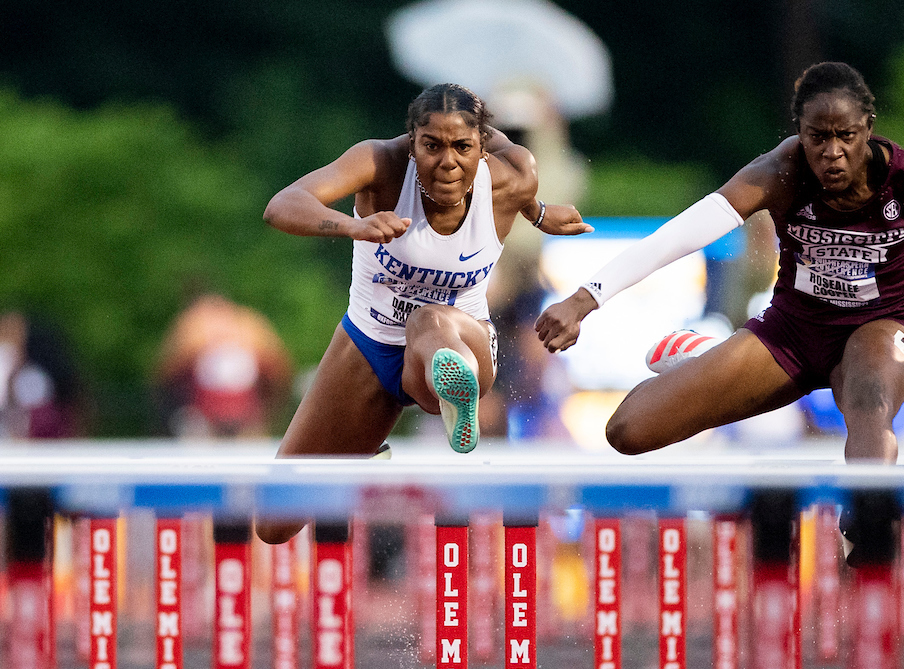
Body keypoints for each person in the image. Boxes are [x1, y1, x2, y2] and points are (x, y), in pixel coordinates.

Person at [536, 62, 904, 465]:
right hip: (795, 330)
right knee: (627, 432)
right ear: (799, 132)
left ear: (869, 128)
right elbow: (675, 237)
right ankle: (706, 354)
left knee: (868, 403)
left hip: (883, 325)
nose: (832, 152)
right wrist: (584, 299)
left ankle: (866, 532)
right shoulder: (778, 173)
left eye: (847, 137)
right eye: (818, 137)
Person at [257, 84, 589, 542]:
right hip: (369, 344)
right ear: (411, 143)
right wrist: (354, 225)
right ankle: (370, 451)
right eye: (431, 147)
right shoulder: (380, 163)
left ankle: (457, 388)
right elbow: (281, 206)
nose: (447, 163)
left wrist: (538, 211)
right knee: (274, 524)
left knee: (429, 320)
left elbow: (523, 195)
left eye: (462, 148)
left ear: (481, 148)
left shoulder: (513, 174)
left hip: (462, 338)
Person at [155, 294, 293, 439]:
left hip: (246, 419)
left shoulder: (252, 333)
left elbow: (277, 375)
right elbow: (168, 376)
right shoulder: (192, 335)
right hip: (204, 419)